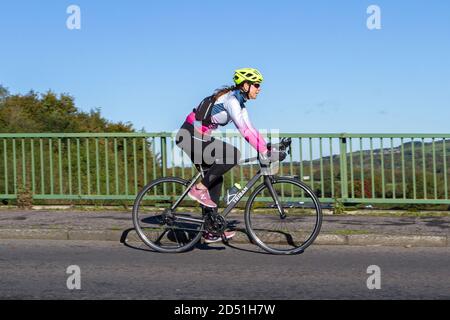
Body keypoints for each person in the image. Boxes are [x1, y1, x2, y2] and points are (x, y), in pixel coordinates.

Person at [176, 68, 275, 243]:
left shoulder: (239, 102)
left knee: (215, 178)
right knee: (232, 155)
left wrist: (266, 146)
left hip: (197, 137)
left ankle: (210, 229)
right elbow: (243, 131)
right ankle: (198, 189)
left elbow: (250, 128)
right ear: (245, 85)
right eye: (256, 85)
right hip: (190, 135)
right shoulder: (231, 101)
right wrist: (263, 151)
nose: (259, 89)